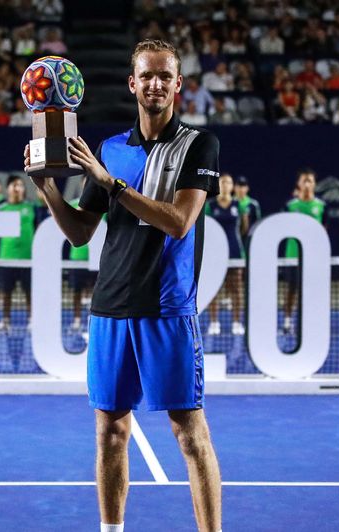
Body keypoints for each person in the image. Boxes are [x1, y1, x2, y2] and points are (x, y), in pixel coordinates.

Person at [23, 39, 222, 532]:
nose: (155, 84)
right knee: (111, 432)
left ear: (178, 84)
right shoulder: (110, 150)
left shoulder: (198, 146)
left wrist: (107, 181)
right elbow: (79, 232)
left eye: (164, 76)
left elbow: (178, 221)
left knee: (188, 433)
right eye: (146, 76)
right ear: (133, 84)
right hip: (110, 308)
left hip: (167, 309)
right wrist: (47, 189)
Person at [281, 169, 325, 335]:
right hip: (293, 255)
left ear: (314, 184)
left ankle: (311, 321)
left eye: (310, 181)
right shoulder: (290, 205)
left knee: (312, 290)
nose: (307, 184)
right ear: (299, 184)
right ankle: (287, 321)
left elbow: (323, 230)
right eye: (304, 181)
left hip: (313, 257)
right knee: (291, 290)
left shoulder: (321, 206)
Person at [205, 173, 247, 336]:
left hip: (235, 250)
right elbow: (206, 227)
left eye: (228, 182)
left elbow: (244, 227)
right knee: (213, 290)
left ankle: (237, 322)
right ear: (218, 185)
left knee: (236, 288)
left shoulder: (239, 204)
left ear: (232, 186)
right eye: (222, 182)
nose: (225, 185)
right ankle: (214, 323)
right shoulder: (210, 205)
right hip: (215, 253)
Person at [0, 176, 35, 331]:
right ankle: (5, 320)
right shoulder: (1, 209)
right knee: (5, 292)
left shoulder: (32, 208)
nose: (17, 188)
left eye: (20, 185)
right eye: (14, 185)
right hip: (6, 258)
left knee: (29, 292)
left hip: (28, 259)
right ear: (8, 189)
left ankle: (32, 319)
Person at [66, 197, 96, 335]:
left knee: (94, 291)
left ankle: (92, 319)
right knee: (76, 292)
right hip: (77, 258)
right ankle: (77, 320)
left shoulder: (102, 204)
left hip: (96, 257)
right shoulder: (72, 204)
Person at [233, 175, 260, 249]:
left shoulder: (253, 204)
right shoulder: (230, 203)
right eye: (239, 186)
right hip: (233, 238)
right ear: (234, 187)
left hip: (248, 240)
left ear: (247, 188)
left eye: (243, 186)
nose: (241, 189)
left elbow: (257, 223)